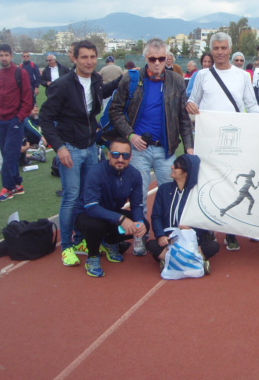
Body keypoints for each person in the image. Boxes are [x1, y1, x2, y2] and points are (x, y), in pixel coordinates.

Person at [187, 32, 259, 251]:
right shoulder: (202, 75)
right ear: (211, 50)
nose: (220, 52)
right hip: (208, 140)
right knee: (207, 182)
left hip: (235, 141)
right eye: (216, 48)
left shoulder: (243, 76)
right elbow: (192, 100)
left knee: (232, 183)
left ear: (230, 49)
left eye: (224, 48)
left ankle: (231, 232)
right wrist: (190, 105)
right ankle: (207, 229)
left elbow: (251, 105)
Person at [109, 37, 194, 256]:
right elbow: (115, 111)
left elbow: (183, 118)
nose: (157, 63)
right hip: (139, 149)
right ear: (146, 58)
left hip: (166, 149)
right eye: (153, 59)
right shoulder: (131, 79)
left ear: (167, 58)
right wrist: (131, 135)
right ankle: (140, 236)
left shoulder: (176, 80)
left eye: (161, 58)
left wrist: (189, 147)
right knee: (138, 197)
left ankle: (172, 236)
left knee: (173, 195)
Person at [40, 39, 121, 267]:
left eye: (93, 57)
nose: (89, 61)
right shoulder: (62, 85)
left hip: (90, 148)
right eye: (84, 57)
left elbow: (101, 94)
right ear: (74, 58)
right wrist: (60, 147)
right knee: (71, 197)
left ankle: (80, 240)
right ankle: (66, 246)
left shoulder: (95, 80)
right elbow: (45, 118)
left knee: (87, 197)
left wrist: (123, 79)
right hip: (71, 148)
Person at [73, 138, 149, 277]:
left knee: (144, 225)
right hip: (87, 214)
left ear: (131, 157)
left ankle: (109, 242)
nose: (120, 159)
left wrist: (139, 222)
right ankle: (93, 257)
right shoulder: (96, 172)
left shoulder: (135, 174)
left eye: (125, 155)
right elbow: (92, 207)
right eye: (116, 154)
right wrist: (121, 219)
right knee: (96, 226)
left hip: (112, 215)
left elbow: (137, 205)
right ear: (109, 155)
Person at [146, 154, 219, 273]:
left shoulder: (198, 193)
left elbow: (205, 219)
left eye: (176, 166)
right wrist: (160, 236)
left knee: (213, 246)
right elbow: (156, 216)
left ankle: (169, 260)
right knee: (151, 245)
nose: (172, 167)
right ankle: (195, 261)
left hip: (192, 239)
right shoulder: (164, 189)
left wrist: (191, 228)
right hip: (169, 239)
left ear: (186, 172)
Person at [0, 44, 33, 202]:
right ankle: (17, 184)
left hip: (14, 120)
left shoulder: (20, 73)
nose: (4, 58)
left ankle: (8, 188)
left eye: (6, 55)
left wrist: (19, 117)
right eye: (1, 55)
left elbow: (28, 98)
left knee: (9, 155)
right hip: (0, 120)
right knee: (7, 154)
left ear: (11, 56)